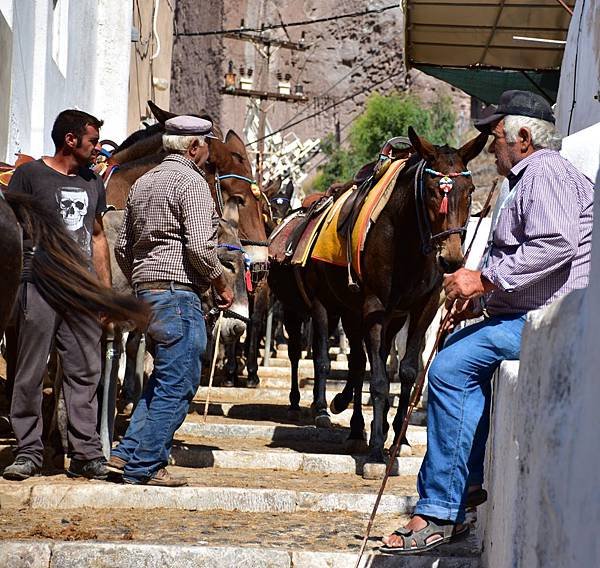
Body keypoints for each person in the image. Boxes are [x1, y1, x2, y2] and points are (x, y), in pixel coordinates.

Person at [381, 90, 594, 554]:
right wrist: (480, 301)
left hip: (552, 321)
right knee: (458, 355)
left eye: (496, 137)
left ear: (522, 137)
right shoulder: (531, 176)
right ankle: (464, 488)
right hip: (528, 311)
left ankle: (440, 509)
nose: (493, 147)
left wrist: (484, 279)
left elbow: (554, 246)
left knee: (451, 369)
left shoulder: (546, 172)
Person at [109, 115, 233, 487]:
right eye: (206, 144)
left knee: (163, 378)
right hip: (179, 294)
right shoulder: (192, 183)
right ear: (194, 148)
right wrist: (221, 281)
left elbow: (122, 247)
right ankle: (146, 465)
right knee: (179, 383)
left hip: (148, 294)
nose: (209, 150)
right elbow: (198, 246)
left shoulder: (143, 182)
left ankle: (126, 452)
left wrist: (143, 280)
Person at [3, 109, 111, 481]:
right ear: (70, 140)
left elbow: (97, 237)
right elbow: (11, 234)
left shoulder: (93, 182)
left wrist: (104, 292)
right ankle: (29, 451)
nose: (97, 148)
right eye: (93, 140)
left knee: (85, 372)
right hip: (39, 284)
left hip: (80, 291)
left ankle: (85, 453)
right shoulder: (30, 176)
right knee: (30, 372)